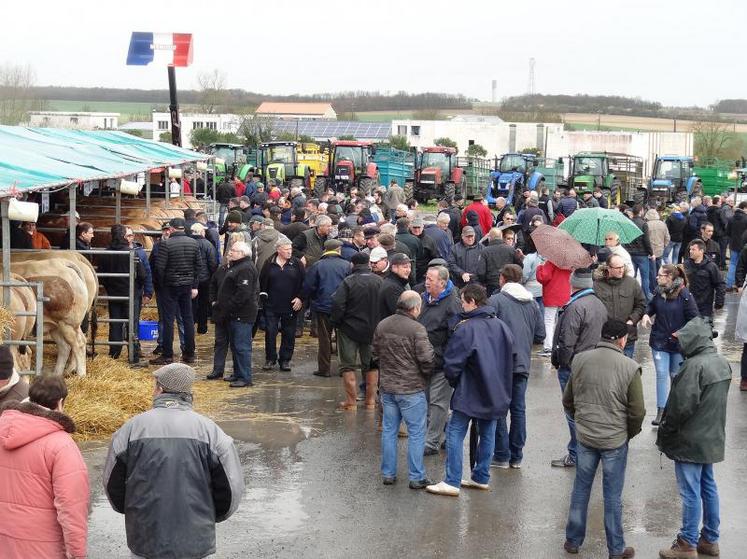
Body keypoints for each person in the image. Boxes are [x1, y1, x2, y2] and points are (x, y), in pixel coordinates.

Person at [103, 363, 244, 559]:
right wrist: (209, 516)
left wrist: (134, 512)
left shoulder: (131, 429)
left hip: (145, 537)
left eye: (155, 386)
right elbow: (231, 489)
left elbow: (113, 485)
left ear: (160, 389)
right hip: (195, 539)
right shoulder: (211, 432)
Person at [562, 319, 644, 559]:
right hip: (614, 439)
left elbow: (569, 400)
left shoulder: (580, 360)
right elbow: (637, 411)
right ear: (622, 339)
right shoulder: (629, 367)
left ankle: (573, 541)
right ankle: (616, 549)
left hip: (586, 436)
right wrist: (628, 432)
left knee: (581, 488)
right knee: (612, 495)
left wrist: (581, 421)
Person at [425, 284, 514, 497]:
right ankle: (481, 477)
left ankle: (452, 480)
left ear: (473, 302)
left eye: (464, 301)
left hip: (471, 388)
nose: (461, 306)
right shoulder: (501, 326)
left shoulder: (466, 328)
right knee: (488, 431)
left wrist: (455, 381)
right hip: (496, 389)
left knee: (455, 431)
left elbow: (453, 362)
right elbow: (512, 356)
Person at [656, 317, 731, 559]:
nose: (679, 344)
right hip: (711, 438)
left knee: (690, 492)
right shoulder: (722, 363)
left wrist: (665, 434)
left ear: (693, 340)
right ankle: (710, 539)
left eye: (683, 339)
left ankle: (687, 543)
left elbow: (679, 408)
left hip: (690, 441)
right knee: (708, 487)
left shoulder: (693, 367)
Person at [0, 375, 89, 559]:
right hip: (42, 547)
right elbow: (71, 507)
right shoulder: (62, 446)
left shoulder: (2, 427)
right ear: (60, 402)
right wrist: (77, 553)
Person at [373, 290, 435, 489]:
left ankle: (388, 473)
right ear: (415, 308)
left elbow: (375, 354)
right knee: (417, 432)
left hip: (388, 388)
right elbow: (426, 359)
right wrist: (426, 374)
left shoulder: (383, 324)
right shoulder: (417, 329)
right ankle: (416, 476)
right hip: (411, 389)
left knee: (389, 431)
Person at [488, 264, 545, 469]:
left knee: (500, 409)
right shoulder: (532, 304)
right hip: (522, 362)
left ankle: (502, 454)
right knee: (519, 409)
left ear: (502, 279)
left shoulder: (496, 301)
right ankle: (516, 455)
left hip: (500, 363)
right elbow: (540, 336)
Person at [550, 268, 608, 468]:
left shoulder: (576, 306)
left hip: (575, 366)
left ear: (574, 283)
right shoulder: (598, 304)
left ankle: (576, 454)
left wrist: (562, 362)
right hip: (594, 363)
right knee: (587, 411)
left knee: (573, 412)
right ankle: (588, 451)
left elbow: (567, 341)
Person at [641, 264, 699, 426]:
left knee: (675, 376)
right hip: (659, 340)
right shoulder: (659, 292)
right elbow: (651, 306)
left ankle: (675, 410)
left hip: (678, 344)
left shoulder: (684, 294)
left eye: (660, 275)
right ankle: (661, 411)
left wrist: (681, 333)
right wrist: (646, 314)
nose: (657, 277)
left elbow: (695, 319)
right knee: (661, 373)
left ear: (670, 278)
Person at [330, 252, 382, 410]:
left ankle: (351, 402)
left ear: (353, 264)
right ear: (368, 264)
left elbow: (338, 304)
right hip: (373, 330)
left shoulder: (348, 282)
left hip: (349, 329)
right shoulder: (380, 281)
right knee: (372, 366)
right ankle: (370, 402)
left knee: (347, 365)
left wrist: (336, 323)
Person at [420, 265, 462, 455]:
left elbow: (456, 336)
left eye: (431, 279)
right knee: (429, 402)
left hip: (442, 363)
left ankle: (431, 442)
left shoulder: (452, 304)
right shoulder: (423, 298)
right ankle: (445, 435)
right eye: (426, 278)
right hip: (423, 362)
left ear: (442, 283)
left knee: (438, 403)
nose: (426, 282)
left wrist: (446, 360)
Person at [150, 218, 202, 366]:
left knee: (168, 320)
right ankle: (189, 354)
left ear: (172, 229)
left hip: (170, 286)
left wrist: (163, 284)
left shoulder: (165, 244)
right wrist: (193, 282)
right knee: (187, 319)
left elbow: (159, 268)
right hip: (186, 285)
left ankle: (167, 355)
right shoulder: (193, 243)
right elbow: (199, 266)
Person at [209, 242, 259, 387]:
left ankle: (245, 377)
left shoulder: (245, 268)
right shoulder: (236, 267)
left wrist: (228, 306)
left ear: (243, 253)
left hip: (242, 314)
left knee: (242, 347)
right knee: (236, 346)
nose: (230, 252)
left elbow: (243, 293)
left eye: (234, 251)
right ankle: (238, 373)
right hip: (233, 314)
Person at [97, 224, 146, 360]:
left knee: (115, 323)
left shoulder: (106, 253)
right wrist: (137, 288)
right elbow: (142, 274)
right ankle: (133, 354)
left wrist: (109, 287)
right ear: (124, 236)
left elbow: (102, 275)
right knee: (132, 322)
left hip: (114, 294)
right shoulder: (131, 252)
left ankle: (114, 353)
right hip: (131, 293)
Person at [303, 239, 350, 377]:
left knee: (324, 339)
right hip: (342, 308)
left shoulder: (317, 265)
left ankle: (324, 369)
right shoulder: (347, 265)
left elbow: (309, 286)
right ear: (338, 250)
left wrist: (312, 300)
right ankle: (345, 369)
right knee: (343, 339)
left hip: (323, 307)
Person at [260, 238, 305, 372]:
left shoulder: (296, 264)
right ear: (278, 250)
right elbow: (262, 282)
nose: (289, 252)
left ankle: (285, 360)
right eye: (286, 250)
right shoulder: (269, 263)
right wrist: (263, 299)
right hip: (271, 304)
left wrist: (300, 298)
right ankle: (270, 358)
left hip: (291, 304)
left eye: (290, 249)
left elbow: (304, 283)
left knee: (289, 333)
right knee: (270, 332)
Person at [594, 254, 647, 359]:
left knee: (625, 372)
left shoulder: (632, 283)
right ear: (608, 268)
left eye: (623, 267)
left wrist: (632, 320)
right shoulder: (597, 285)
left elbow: (641, 305)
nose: (621, 270)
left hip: (627, 337)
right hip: (605, 339)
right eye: (618, 268)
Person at [535, 258, 572, 357]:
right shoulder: (570, 262)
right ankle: (558, 344)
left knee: (549, 321)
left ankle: (548, 347)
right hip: (566, 293)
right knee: (560, 321)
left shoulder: (552, 261)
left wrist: (540, 267)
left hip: (552, 293)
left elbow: (543, 277)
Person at [684, 239, 725, 322]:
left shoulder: (711, 266)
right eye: (690, 249)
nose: (690, 251)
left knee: (704, 332)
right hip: (688, 305)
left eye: (693, 249)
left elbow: (720, 284)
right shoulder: (686, 265)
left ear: (701, 251)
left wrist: (719, 302)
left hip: (705, 307)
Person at [476, 228, 522, 295]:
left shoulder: (485, 251)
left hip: (491, 284)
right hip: (509, 283)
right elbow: (520, 266)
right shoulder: (511, 250)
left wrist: (484, 282)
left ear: (489, 237)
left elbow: (481, 272)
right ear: (501, 237)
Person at [190, 223, 218, 335]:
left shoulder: (188, 243)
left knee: (191, 303)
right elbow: (213, 263)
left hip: (191, 278)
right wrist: (212, 276)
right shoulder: (208, 244)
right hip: (205, 279)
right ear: (202, 232)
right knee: (203, 304)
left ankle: (190, 326)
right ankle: (202, 327)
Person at [624, 205, 655, 299]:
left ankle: (631, 296)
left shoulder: (628, 223)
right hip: (642, 254)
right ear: (641, 211)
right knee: (645, 277)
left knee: (631, 276)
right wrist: (651, 253)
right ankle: (646, 297)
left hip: (630, 253)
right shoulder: (643, 224)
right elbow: (646, 240)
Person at [379, 253, 412, 319]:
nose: (408, 270)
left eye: (410, 267)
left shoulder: (394, 283)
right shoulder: (392, 288)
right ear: (394, 268)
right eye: (405, 267)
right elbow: (399, 314)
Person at [646, 209, 671, 294]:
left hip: (650, 252)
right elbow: (667, 237)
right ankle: (660, 286)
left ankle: (653, 289)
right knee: (659, 270)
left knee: (651, 272)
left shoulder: (646, 225)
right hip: (660, 250)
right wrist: (664, 245)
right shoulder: (662, 224)